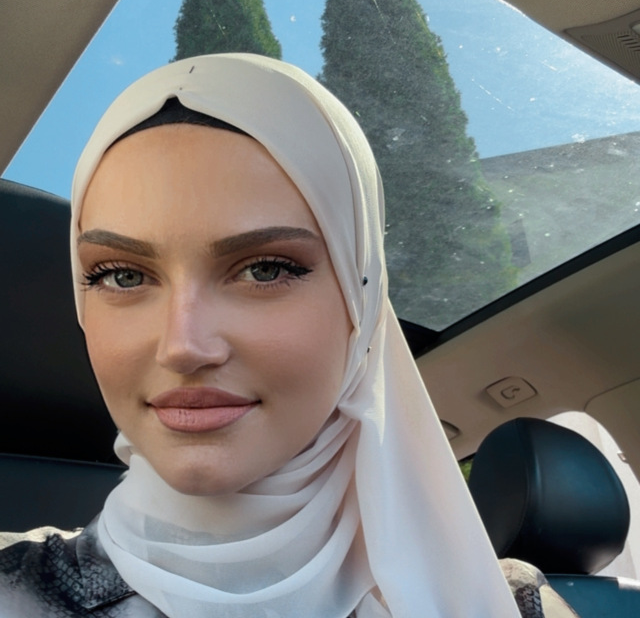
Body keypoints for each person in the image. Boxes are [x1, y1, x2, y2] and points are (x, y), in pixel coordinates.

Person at [0, 54, 577, 617]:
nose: (182, 346)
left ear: (360, 300)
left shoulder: (509, 603)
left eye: (265, 269)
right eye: (122, 276)